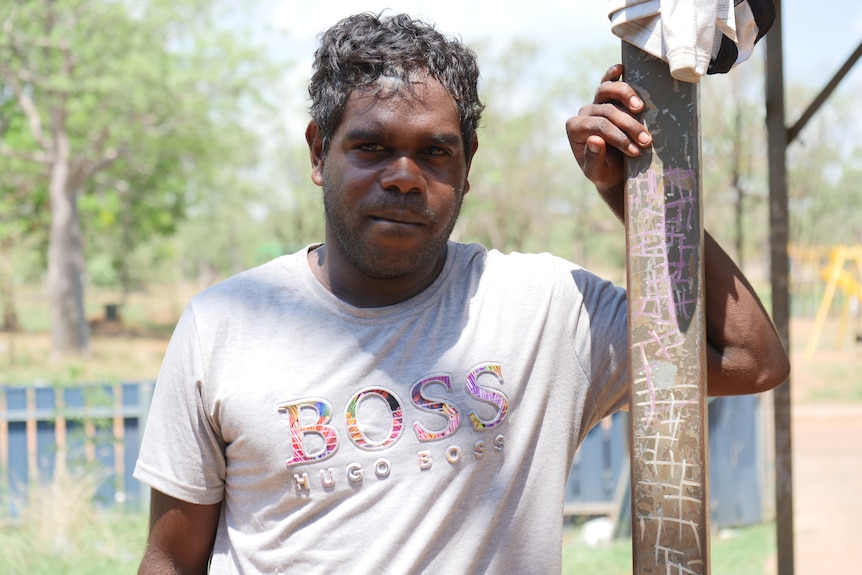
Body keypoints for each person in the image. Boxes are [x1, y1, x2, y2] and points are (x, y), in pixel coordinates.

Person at [134, 12, 789, 574]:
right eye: (370, 146)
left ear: (468, 165)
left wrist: (630, 195)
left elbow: (751, 358)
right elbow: (171, 559)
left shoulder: (543, 309)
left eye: (435, 153)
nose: (403, 177)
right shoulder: (226, 324)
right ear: (318, 151)